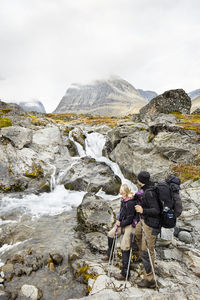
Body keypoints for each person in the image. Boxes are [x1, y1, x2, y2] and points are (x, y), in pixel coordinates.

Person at [105, 183, 138, 280]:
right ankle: (109, 254)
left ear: (124, 192)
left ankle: (125, 273)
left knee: (124, 246)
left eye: (121, 190)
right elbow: (121, 212)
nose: (120, 192)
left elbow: (130, 218)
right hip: (122, 223)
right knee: (110, 234)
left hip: (130, 225)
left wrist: (120, 223)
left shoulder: (131, 203)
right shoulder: (123, 200)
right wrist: (118, 221)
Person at [135, 171, 161, 288]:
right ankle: (142, 261)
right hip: (145, 221)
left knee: (147, 251)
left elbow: (156, 211)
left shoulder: (149, 193)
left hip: (151, 225)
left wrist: (142, 210)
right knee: (137, 234)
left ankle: (149, 279)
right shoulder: (149, 188)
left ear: (140, 181)